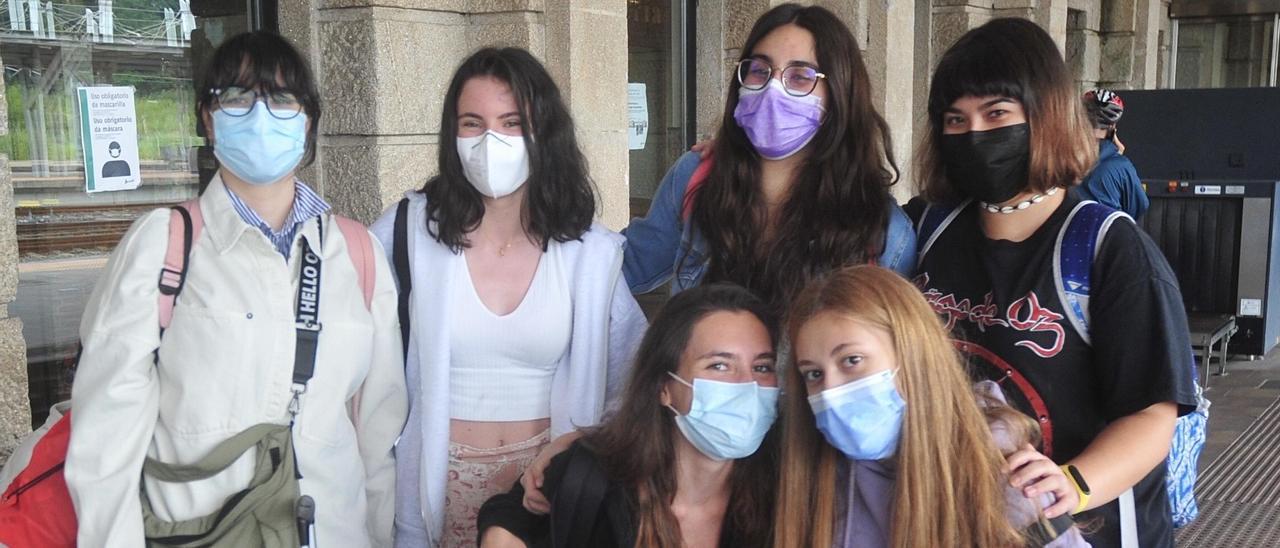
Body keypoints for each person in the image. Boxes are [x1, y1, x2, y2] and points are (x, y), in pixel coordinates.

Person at [66, 31, 407, 547]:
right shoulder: (165, 246)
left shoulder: (357, 254)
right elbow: (104, 443)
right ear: (208, 117)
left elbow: (376, 439)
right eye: (237, 97)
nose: (260, 114)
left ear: (308, 118)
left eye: (281, 99)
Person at [912, 18, 1197, 547]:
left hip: (1085, 528)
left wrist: (1073, 483)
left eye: (997, 112)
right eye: (955, 118)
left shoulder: (1110, 249)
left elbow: (1153, 414)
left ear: (1046, 116)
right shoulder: (929, 228)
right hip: (964, 519)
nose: (974, 134)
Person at [369, 47, 647, 547]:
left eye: (512, 122)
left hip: (540, 496)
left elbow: (634, 378)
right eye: (472, 123)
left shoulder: (590, 253)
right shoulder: (406, 232)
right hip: (429, 492)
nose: (490, 140)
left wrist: (579, 449)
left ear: (545, 132)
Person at [622, 2, 916, 315]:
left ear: (839, 93)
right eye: (759, 71)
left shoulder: (882, 232)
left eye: (800, 76)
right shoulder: (697, 178)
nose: (772, 89)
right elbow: (623, 267)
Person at [777, 265, 1089, 547]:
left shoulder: (1000, 466)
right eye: (814, 374)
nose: (831, 390)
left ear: (912, 353)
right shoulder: (816, 469)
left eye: (852, 360)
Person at [476, 283, 779, 547]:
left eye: (762, 367)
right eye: (719, 365)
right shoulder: (592, 479)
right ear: (664, 387)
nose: (747, 385)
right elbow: (509, 515)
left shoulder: (790, 488)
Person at [1076, 88, 1148, 219]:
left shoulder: (1062, 159)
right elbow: (1139, 206)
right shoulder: (1120, 166)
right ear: (1112, 127)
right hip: (1106, 235)